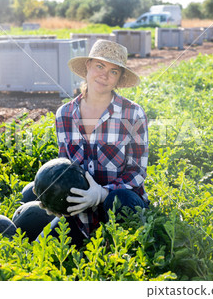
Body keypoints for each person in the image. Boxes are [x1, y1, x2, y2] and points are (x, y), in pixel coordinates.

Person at [38, 39, 150, 246]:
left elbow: (137, 172)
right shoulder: (65, 114)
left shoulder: (133, 113)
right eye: (100, 66)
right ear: (88, 66)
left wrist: (102, 193)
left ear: (118, 79)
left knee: (119, 201)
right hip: (80, 211)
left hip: (121, 204)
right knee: (42, 246)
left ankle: (122, 249)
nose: (104, 75)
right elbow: (66, 168)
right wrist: (54, 196)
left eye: (113, 71)